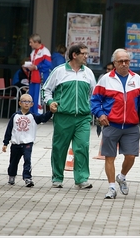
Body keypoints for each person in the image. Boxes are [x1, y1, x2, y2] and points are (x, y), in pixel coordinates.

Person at [90, 48, 140, 199]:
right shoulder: (105, 79)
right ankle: (111, 187)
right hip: (111, 124)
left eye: (127, 61)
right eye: (121, 61)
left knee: (131, 156)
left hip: (131, 125)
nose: (124, 64)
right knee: (109, 157)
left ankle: (122, 177)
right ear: (115, 63)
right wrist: (100, 114)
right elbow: (95, 101)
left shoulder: (136, 78)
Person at [42, 43, 96, 190]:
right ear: (74, 55)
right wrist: (51, 102)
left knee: (82, 147)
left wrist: (95, 110)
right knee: (60, 148)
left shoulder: (89, 73)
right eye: (83, 53)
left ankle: (81, 179)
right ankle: (57, 178)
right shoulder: (59, 71)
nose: (86, 56)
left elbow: (94, 95)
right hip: (63, 117)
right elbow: (46, 90)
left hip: (83, 118)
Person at [2, 93, 52, 187]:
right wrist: (5, 143)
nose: (26, 103)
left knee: (27, 160)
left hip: (27, 143)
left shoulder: (33, 116)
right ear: (20, 103)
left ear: (32, 104)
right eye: (24, 101)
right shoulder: (15, 116)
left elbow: (43, 118)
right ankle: (11, 176)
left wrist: (51, 112)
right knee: (13, 161)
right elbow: (9, 129)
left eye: (28, 102)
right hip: (16, 143)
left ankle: (27, 178)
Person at [26, 33, 52, 114]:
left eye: (31, 42)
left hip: (40, 78)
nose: (30, 44)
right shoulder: (33, 52)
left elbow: (48, 65)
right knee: (32, 97)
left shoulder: (45, 51)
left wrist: (36, 67)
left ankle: (38, 116)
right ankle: (31, 114)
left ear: (36, 42)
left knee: (38, 99)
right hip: (33, 78)